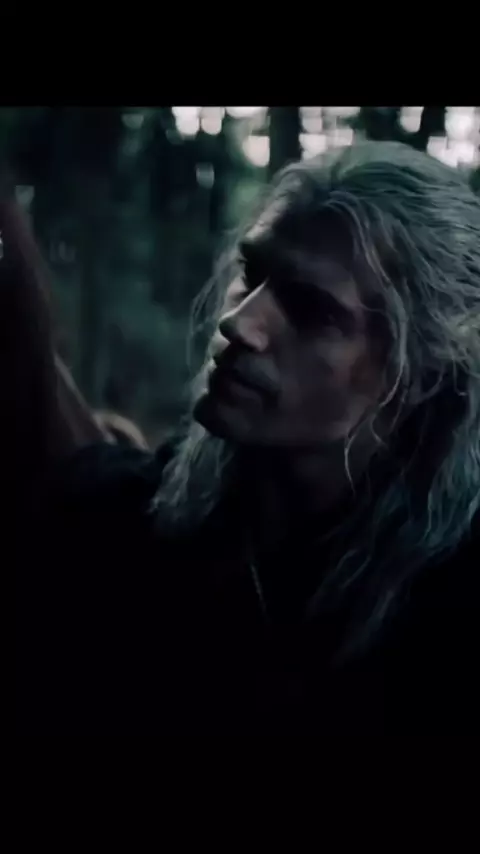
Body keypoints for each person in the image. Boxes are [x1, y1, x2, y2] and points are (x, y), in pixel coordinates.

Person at [13, 141, 479, 740]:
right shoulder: (121, 528)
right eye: (252, 276)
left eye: (311, 310)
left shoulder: (451, 608)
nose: (240, 323)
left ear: (423, 371)